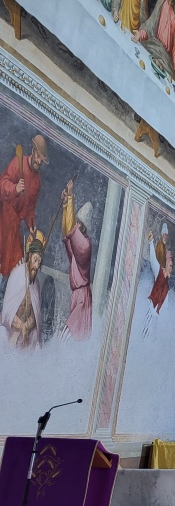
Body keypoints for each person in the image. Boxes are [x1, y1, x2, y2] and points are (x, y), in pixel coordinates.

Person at [0, 134, 47, 277]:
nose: (38, 161)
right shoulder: (18, 162)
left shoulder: (37, 182)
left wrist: (31, 224)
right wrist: (15, 188)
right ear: (33, 151)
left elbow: (30, 209)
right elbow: (2, 185)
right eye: (38, 156)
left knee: (17, 262)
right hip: (3, 217)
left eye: (41, 160)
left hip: (14, 225)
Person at [132, 0, 175, 85]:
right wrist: (140, 34)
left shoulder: (174, 19)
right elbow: (150, 24)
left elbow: (174, 53)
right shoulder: (162, 2)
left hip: (165, 60)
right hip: (153, 47)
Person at [58, 179, 93, 341]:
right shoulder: (78, 244)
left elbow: (70, 230)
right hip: (77, 295)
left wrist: (70, 197)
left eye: (79, 223)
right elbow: (66, 233)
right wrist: (66, 206)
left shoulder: (85, 245)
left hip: (82, 298)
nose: (76, 224)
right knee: (71, 338)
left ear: (84, 227)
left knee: (67, 336)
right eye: (76, 221)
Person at [2, 239, 44, 348]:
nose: (37, 266)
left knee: (36, 339)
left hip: (27, 332)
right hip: (12, 329)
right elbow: (6, 314)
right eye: (35, 260)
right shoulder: (17, 274)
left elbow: (35, 317)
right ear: (30, 256)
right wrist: (21, 327)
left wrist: (26, 327)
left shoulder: (36, 282)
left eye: (39, 262)